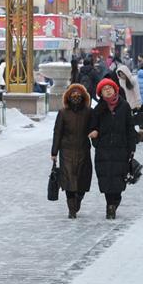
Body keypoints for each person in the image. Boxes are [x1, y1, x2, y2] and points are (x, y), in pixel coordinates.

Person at [88, 78, 137, 220]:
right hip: (103, 150)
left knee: (118, 180)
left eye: (110, 87)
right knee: (106, 179)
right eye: (104, 89)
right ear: (101, 93)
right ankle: (110, 205)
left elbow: (130, 128)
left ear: (115, 89)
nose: (108, 90)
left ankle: (114, 202)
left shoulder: (124, 106)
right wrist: (96, 138)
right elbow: (92, 127)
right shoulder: (99, 109)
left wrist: (131, 147)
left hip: (121, 149)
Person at [51, 84, 93, 219]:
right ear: (68, 97)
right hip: (66, 151)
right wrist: (54, 152)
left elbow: (94, 128)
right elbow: (57, 132)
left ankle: (78, 200)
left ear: (84, 97)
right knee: (68, 180)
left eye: (78, 95)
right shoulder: (63, 113)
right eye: (73, 95)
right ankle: (71, 209)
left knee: (82, 179)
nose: (76, 97)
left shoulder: (88, 112)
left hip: (83, 150)